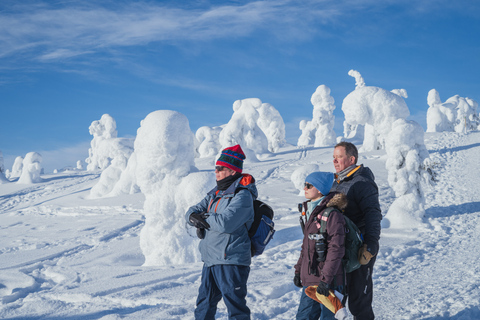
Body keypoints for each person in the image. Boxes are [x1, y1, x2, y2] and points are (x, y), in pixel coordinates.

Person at [185, 144, 257, 320]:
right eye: (215, 168)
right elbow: (190, 212)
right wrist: (197, 216)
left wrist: (203, 218)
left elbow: (225, 223)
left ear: (232, 171)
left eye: (220, 169)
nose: (216, 172)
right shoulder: (216, 193)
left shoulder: (243, 195)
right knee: (204, 304)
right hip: (211, 259)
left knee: (235, 307)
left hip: (231, 260)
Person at [329, 142, 382, 320]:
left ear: (352, 159)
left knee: (359, 300)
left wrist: (371, 244)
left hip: (360, 248)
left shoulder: (363, 183)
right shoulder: (337, 181)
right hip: (341, 248)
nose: (335, 160)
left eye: (339, 156)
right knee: (337, 299)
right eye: (334, 157)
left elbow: (373, 214)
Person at [294, 171, 348, 320]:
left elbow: (336, 250)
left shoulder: (332, 215)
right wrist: (299, 271)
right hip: (311, 281)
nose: (304, 188)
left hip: (329, 282)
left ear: (319, 189)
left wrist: (326, 280)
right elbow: (306, 248)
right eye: (304, 185)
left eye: (308, 185)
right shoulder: (310, 212)